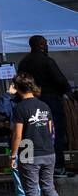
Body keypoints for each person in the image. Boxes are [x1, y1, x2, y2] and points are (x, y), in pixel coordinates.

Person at [10, 73, 71, 196]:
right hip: (47, 150)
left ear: (17, 89)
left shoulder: (20, 108)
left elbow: (18, 135)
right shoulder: (44, 105)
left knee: (30, 191)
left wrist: (14, 155)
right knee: (49, 188)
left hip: (29, 149)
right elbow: (51, 131)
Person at [17, 35, 73, 177]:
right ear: (42, 45)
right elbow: (60, 80)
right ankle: (57, 167)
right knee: (54, 133)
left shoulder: (24, 62)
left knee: (27, 133)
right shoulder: (47, 61)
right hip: (49, 101)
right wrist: (66, 91)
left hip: (27, 101)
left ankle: (27, 165)